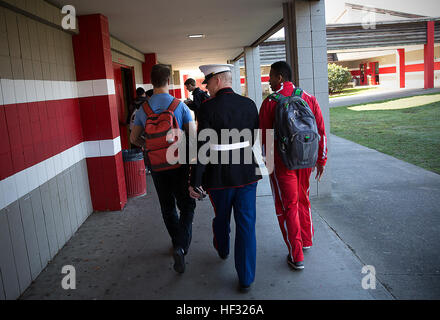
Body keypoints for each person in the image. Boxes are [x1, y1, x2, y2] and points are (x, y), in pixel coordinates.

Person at [188, 64, 261, 293]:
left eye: (208, 82)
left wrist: (195, 181)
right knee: (247, 225)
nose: (207, 87)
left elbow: (203, 148)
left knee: (221, 217)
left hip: (219, 177)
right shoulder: (249, 104)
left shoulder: (207, 109)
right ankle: (246, 278)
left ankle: (223, 248)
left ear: (218, 80)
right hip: (247, 174)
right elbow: (254, 137)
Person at [259, 61, 328, 270]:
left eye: (270, 76)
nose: (268, 81)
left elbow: (264, 139)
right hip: (305, 159)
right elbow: (321, 132)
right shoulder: (308, 97)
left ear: (280, 77)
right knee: (303, 200)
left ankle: (296, 255)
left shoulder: (270, 102)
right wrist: (320, 160)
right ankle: (306, 241)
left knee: (287, 205)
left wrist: (269, 165)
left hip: (283, 163)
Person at [130, 64, 196, 274]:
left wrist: (149, 146)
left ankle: (177, 242)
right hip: (179, 163)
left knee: (167, 206)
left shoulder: (144, 109)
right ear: (168, 81)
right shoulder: (180, 106)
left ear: (151, 81)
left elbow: (134, 138)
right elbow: (192, 137)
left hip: (157, 166)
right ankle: (181, 246)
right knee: (187, 205)